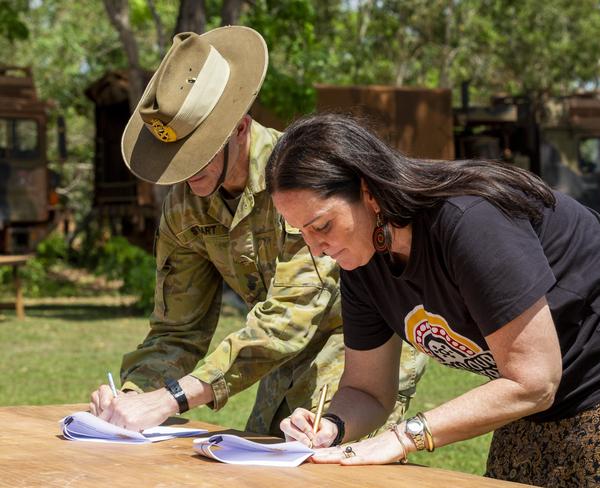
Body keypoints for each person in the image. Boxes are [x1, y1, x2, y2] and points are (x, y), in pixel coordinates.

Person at [266, 113, 600, 487]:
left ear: (368, 191)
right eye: (302, 232)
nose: (316, 249)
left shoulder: (470, 220)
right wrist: (331, 426)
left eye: (322, 226)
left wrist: (402, 437)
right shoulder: (362, 261)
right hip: (536, 400)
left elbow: (534, 381)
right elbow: (368, 390)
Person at [89, 28, 426, 436]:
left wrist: (170, 398)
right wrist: (133, 394)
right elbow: (177, 330)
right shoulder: (184, 207)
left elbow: (289, 317)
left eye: (197, 152)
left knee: (323, 463)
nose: (185, 169)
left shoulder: (300, 181)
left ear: (240, 127)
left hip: (358, 351)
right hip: (278, 359)